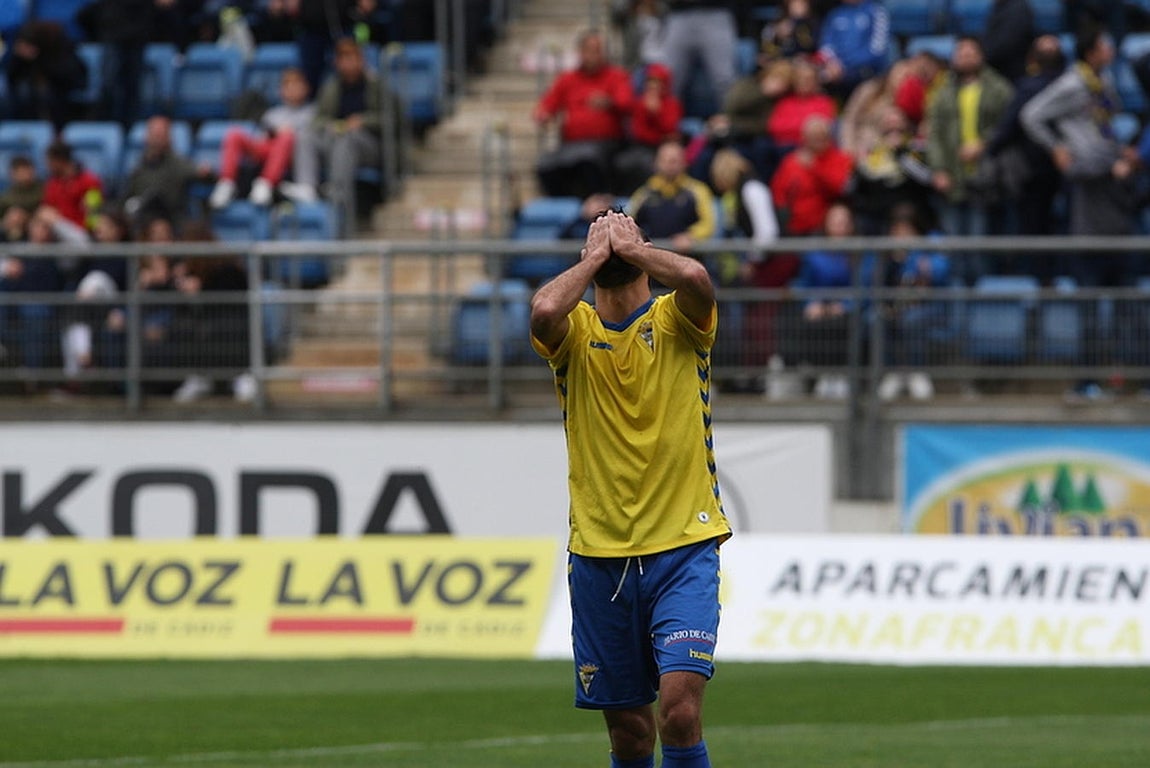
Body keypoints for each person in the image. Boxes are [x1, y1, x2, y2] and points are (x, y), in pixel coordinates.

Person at [529, 208, 731, 768]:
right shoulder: (575, 335)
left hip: (683, 548)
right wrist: (596, 257)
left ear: (644, 247)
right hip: (600, 556)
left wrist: (632, 247)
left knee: (680, 713)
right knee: (630, 734)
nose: (614, 247)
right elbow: (545, 308)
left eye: (626, 236)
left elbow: (695, 278)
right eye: (603, 240)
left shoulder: (677, 320)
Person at [925, 35, 1014, 283]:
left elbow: (1008, 127)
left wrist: (983, 145)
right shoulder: (941, 93)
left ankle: (981, 308)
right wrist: (939, 169)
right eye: (961, 53)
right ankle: (957, 309)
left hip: (984, 180)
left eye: (970, 53)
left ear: (981, 56)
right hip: (951, 180)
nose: (965, 58)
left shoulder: (998, 88)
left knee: (978, 246)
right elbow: (934, 135)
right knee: (953, 248)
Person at [293, 37, 398, 235]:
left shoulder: (375, 84)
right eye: (344, 59)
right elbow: (317, 119)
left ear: (361, 60)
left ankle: (338, 194)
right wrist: (331, 125)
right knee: (306, 136)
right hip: (335, 139)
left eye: (352, 58)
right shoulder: (331, 86)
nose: (348, 64)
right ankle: (306, 187)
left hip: (368, 145)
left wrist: (362, 122)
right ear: (337, 63)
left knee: (346, 139)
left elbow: (390, 119)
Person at [533, 29, 634, 199]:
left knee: (588, 158)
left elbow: (627, 104)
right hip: (571, 144)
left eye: (598, 50)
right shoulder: (567, 79)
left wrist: (609, 102)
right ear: (580, 52)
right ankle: (564, 206)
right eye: (589, 50)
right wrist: (543, 115)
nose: (594, 55)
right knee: (545, 165)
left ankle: (598, 204)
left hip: (606, 144)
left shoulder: (617, 76)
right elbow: (546, 106)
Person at [209, 67, 317, 209]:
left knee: (286, 137)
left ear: (306, 88)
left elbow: (309, 141)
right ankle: (226, 184)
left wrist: (284, 132)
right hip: (268, 151)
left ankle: (265, 185)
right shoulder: (272, 114)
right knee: (234, 133)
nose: (292, 90)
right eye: (288, 85)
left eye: (297, 85)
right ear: (281, 90)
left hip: (292, 155)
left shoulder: (313, 113)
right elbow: (261, 138)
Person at [121, 115, 213, 227]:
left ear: (169, 138)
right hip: (143, 225)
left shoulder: (178, 164)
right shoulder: (138, 168)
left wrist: (206, 173)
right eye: (154, 134)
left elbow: (204, 175)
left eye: (161, 135)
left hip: (171, 223)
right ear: (146, 136)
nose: (157, 139)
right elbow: (126, 197)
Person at [629, 140, 716, 253]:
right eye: (665, 160)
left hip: (687, 257)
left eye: (674, 160)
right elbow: (629, 221)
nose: (669, 165)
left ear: (684, 162)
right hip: (652, 258)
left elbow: (708, 224)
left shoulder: (698, 190)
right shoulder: (645, 193)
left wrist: (691, 236)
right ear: (656, 163)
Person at [613, 63, 684, 195]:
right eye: (650, 81)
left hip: (660, 147)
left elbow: (670, 130)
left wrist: (655, 113)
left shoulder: (672, 104)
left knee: (649, 165)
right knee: (622, 163)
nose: (653, 86)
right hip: (640, 146)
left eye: (657, 82)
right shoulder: (639, 102)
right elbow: (638, 131)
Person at [815, 0, 891, 100]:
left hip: (868, 73)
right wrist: (831, 62)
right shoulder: (835, 14)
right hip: (835, 72)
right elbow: (826, 46)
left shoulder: (876, 12)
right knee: (814, 78)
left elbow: (878, 50)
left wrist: (844, 66)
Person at [42, 141, 104, 230]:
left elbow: (93, 215)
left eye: (50, 162)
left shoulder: (90, 181)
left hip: (82, 232)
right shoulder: (52, 183)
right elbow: (48, 206)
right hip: (56, 233)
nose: (47, 165)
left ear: (60, 161)